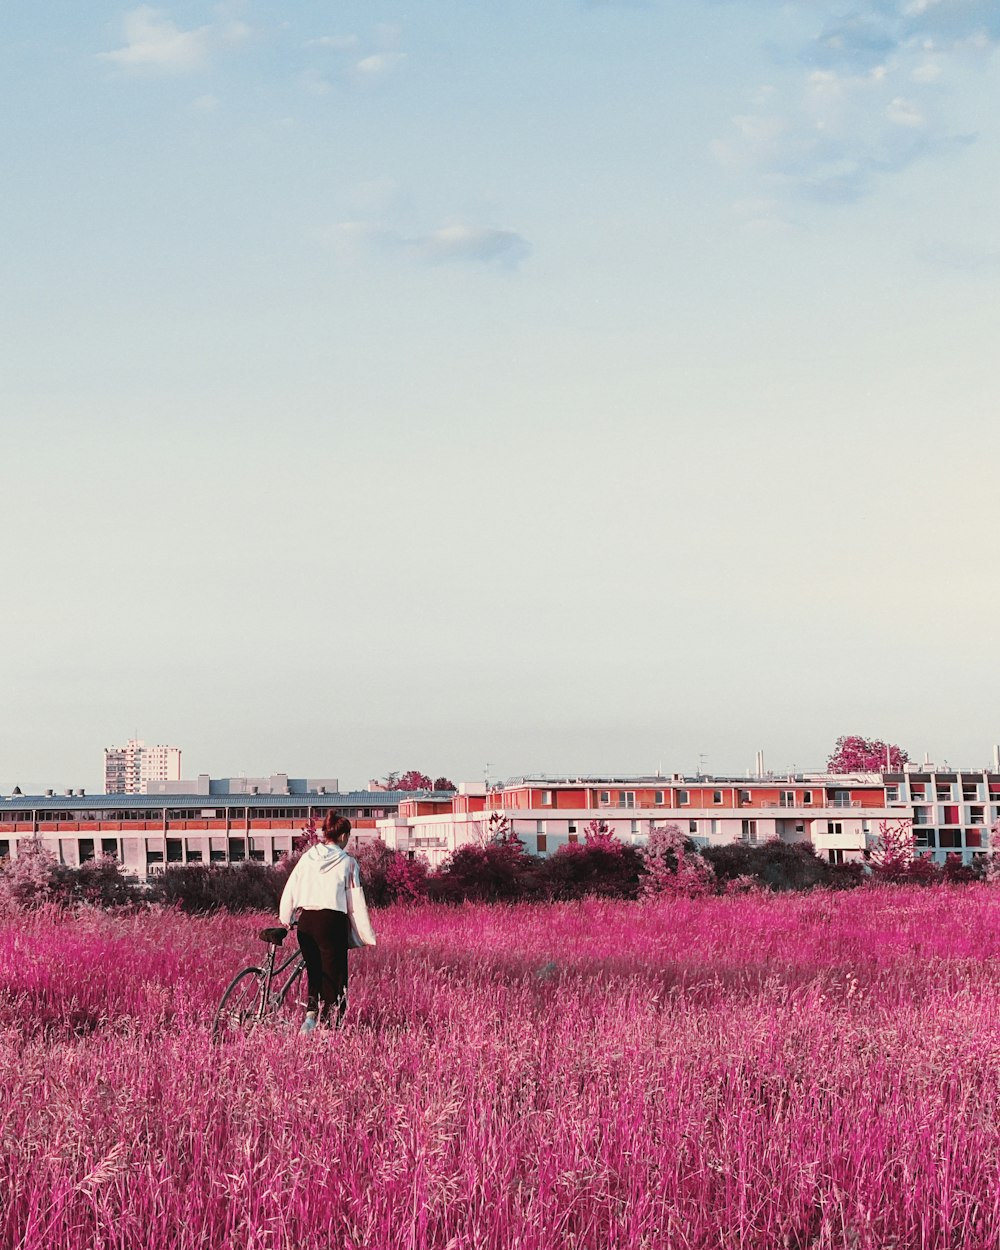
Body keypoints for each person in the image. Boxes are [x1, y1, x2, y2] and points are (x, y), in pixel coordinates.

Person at [278, 813, 359, 1033]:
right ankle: (332, 1027)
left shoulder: (308, 857)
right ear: (343, 835)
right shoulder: (348, 862)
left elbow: (292, 887)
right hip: (332, 921)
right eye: (348, 837)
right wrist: (361, 933)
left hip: (307, 921)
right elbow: (355, 901)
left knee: (314, 971)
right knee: (335, 975)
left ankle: (310, 1020)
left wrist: (287, 917)